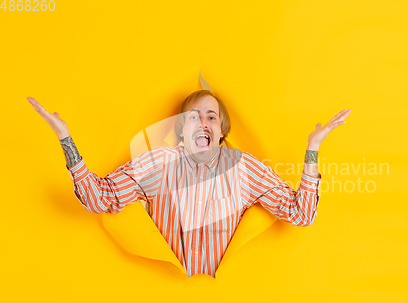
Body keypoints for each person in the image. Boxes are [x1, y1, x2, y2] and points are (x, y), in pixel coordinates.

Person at [28, 90, 351, 277]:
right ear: (182, 129)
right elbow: (100, 198)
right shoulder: (156, 163)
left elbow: (301, 214)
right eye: (193, 116)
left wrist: (312, 150)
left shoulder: (246, 169)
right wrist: (65, 138)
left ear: (221, 129)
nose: (203, 122)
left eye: (211, 116)